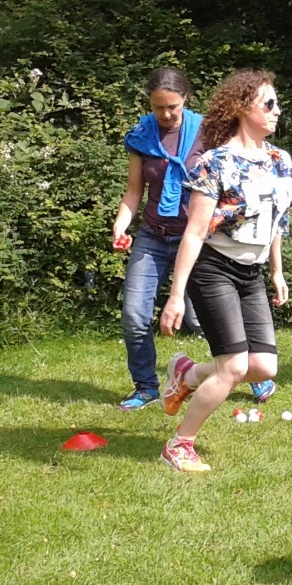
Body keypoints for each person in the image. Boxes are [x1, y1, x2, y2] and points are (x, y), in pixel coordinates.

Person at [156, 70, 292, 472]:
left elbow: (276, 222)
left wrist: (277, 271)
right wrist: (176, 296)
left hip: (251, 273)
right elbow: (195, 232)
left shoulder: (280, 161)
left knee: (263, 367)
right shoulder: (215, 163)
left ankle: (186, 375)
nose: (277, 110)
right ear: (242, 108)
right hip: (214, 269)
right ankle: (179, 445)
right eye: (269, 103)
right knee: (233, 366)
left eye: (276, 103)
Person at [111, 68, 205, 411]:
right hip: (153, 236)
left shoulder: (208, 133)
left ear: (185, 99)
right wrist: (121, 225)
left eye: (172, 107)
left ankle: (251, 372)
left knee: (205, 318)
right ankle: (146, 386)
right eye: (158, 107)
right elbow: (134, 191)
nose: (165, 115)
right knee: (134, 316)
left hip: (197, 238)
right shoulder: (142, 136)